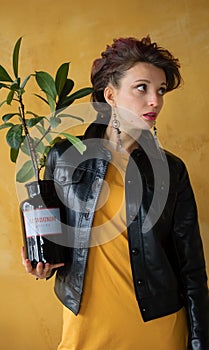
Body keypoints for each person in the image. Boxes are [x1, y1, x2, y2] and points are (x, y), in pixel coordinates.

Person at [22, 35, 209, 350]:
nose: (155, 101)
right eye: (142, 88)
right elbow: (52, 234)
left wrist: (199, 341)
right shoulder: (65, 155)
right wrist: (41, 261)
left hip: (158, 327)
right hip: (87, 323)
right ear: (110, 94)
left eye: (160, 91)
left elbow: (191, 267)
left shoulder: (171, 171)